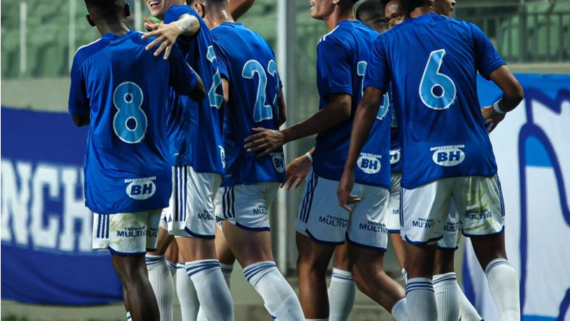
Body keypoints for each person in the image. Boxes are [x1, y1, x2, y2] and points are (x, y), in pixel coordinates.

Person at [337, 0, 524, 320]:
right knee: (493, 256)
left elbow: (369, 104)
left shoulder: (386, 42)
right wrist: (496, 110)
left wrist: (349, 165)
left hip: (424, 168)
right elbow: (514, 91)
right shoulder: (468, 31)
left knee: (421, 271)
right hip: (474, 161)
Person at [244, 0, 408, 320]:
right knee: (367, 272)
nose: (310, 1)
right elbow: (369, 112)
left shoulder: (333, 41)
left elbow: (342, 108)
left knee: (310, 263)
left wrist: (285, 136)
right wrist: (309, 156)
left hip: (336, 172)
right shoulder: (377, 41)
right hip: (376, 172)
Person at [69, 1, 205, 321]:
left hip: (117, 178)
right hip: (156, 171)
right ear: (127, 10)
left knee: (134, 272)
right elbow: (197, 89)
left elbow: (78, 116)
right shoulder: (157, 44)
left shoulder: (86, 57)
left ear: (91, 20)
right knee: (131, 267)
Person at [142, 1, 234, 321]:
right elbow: (220, 92)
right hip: (199, 154)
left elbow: (188, 20)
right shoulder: (202, 36)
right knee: (152, 253)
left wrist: (175, 27)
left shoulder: (178, 15)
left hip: (187, 155)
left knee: (200, 261)